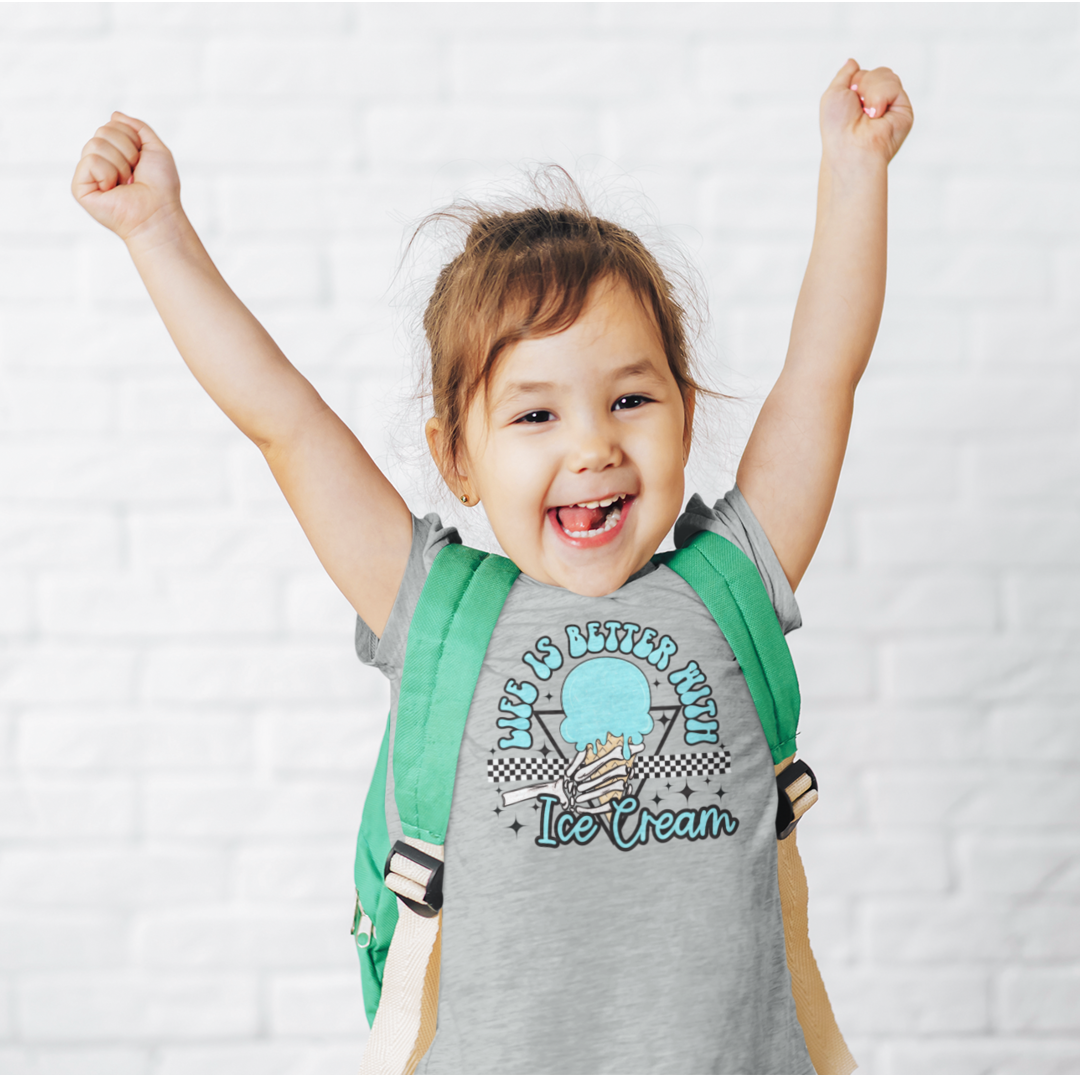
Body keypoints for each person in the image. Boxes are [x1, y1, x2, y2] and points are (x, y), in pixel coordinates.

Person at [72, 58, 912, 1075]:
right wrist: (157, 233)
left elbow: (824, 374)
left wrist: (855, 168)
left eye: (631, 401)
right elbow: (284, 423)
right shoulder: (437, 609)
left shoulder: (727, 584)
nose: (593, 445)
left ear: (686, 417)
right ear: (457, 459)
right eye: (535, 414)